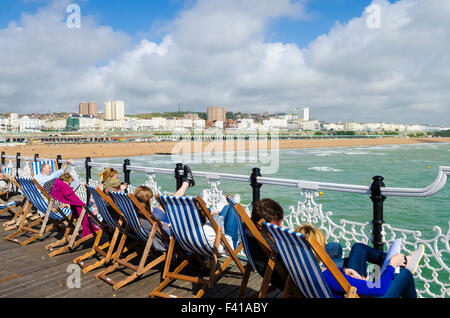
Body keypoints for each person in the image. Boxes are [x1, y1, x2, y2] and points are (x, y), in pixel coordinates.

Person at [295, 223, 424, 298]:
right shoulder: (328, 276)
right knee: (405, 274)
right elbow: (378, 289)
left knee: (359, 248)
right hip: (365, 293)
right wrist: (391, 266)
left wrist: (344, 270)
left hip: (351, 287)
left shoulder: (294, 266)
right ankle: (400, 263)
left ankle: (401, 260)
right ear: (319, 251)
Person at [245, 198, 287, 290]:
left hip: (266, 270)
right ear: (260, 226)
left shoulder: (248, 228)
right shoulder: (268, 244)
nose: (281, 227)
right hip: (283, 278)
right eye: (276, 227)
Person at [50, 173, 98, 238]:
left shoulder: (58, 185)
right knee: (89, 211)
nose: (69, 184)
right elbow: (75, 199)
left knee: (84, 209)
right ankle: (92, 229)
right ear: (65, 180)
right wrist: (83, 205)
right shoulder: (64, 187)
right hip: (58, 209)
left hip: (53, 209)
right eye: (69, 183)